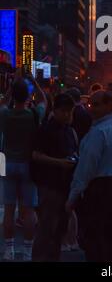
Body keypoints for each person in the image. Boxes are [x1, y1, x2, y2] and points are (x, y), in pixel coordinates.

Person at [65, 90, 112, 262]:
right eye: (90, 105)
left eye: (96, 105)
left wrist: (72, 197)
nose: (91, 109)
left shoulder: (98, 133)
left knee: (96, 240)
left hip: (100, 190)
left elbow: (86, 169)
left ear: (109, 106)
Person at [0, 72, 47, 261]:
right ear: (28, 96)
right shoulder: (34, 115)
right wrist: (34, 83)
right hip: (29, 164)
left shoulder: (5, 115)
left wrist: (10, 89)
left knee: (9, 209)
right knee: (28, 210)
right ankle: (28, 250)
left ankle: (8, 249)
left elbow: (2, 103)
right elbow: (44, 100)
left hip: (8, 163)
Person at [32, 93, 78, 262]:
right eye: (64, 111)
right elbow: (36, 155)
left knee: (59, 229)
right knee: (46, 228)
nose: (67, 115)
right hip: (49, 185)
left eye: (70, 111)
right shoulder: (46, 129)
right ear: (56, 111)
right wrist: (59, 162)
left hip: (65, 184)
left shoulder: (69, 130)